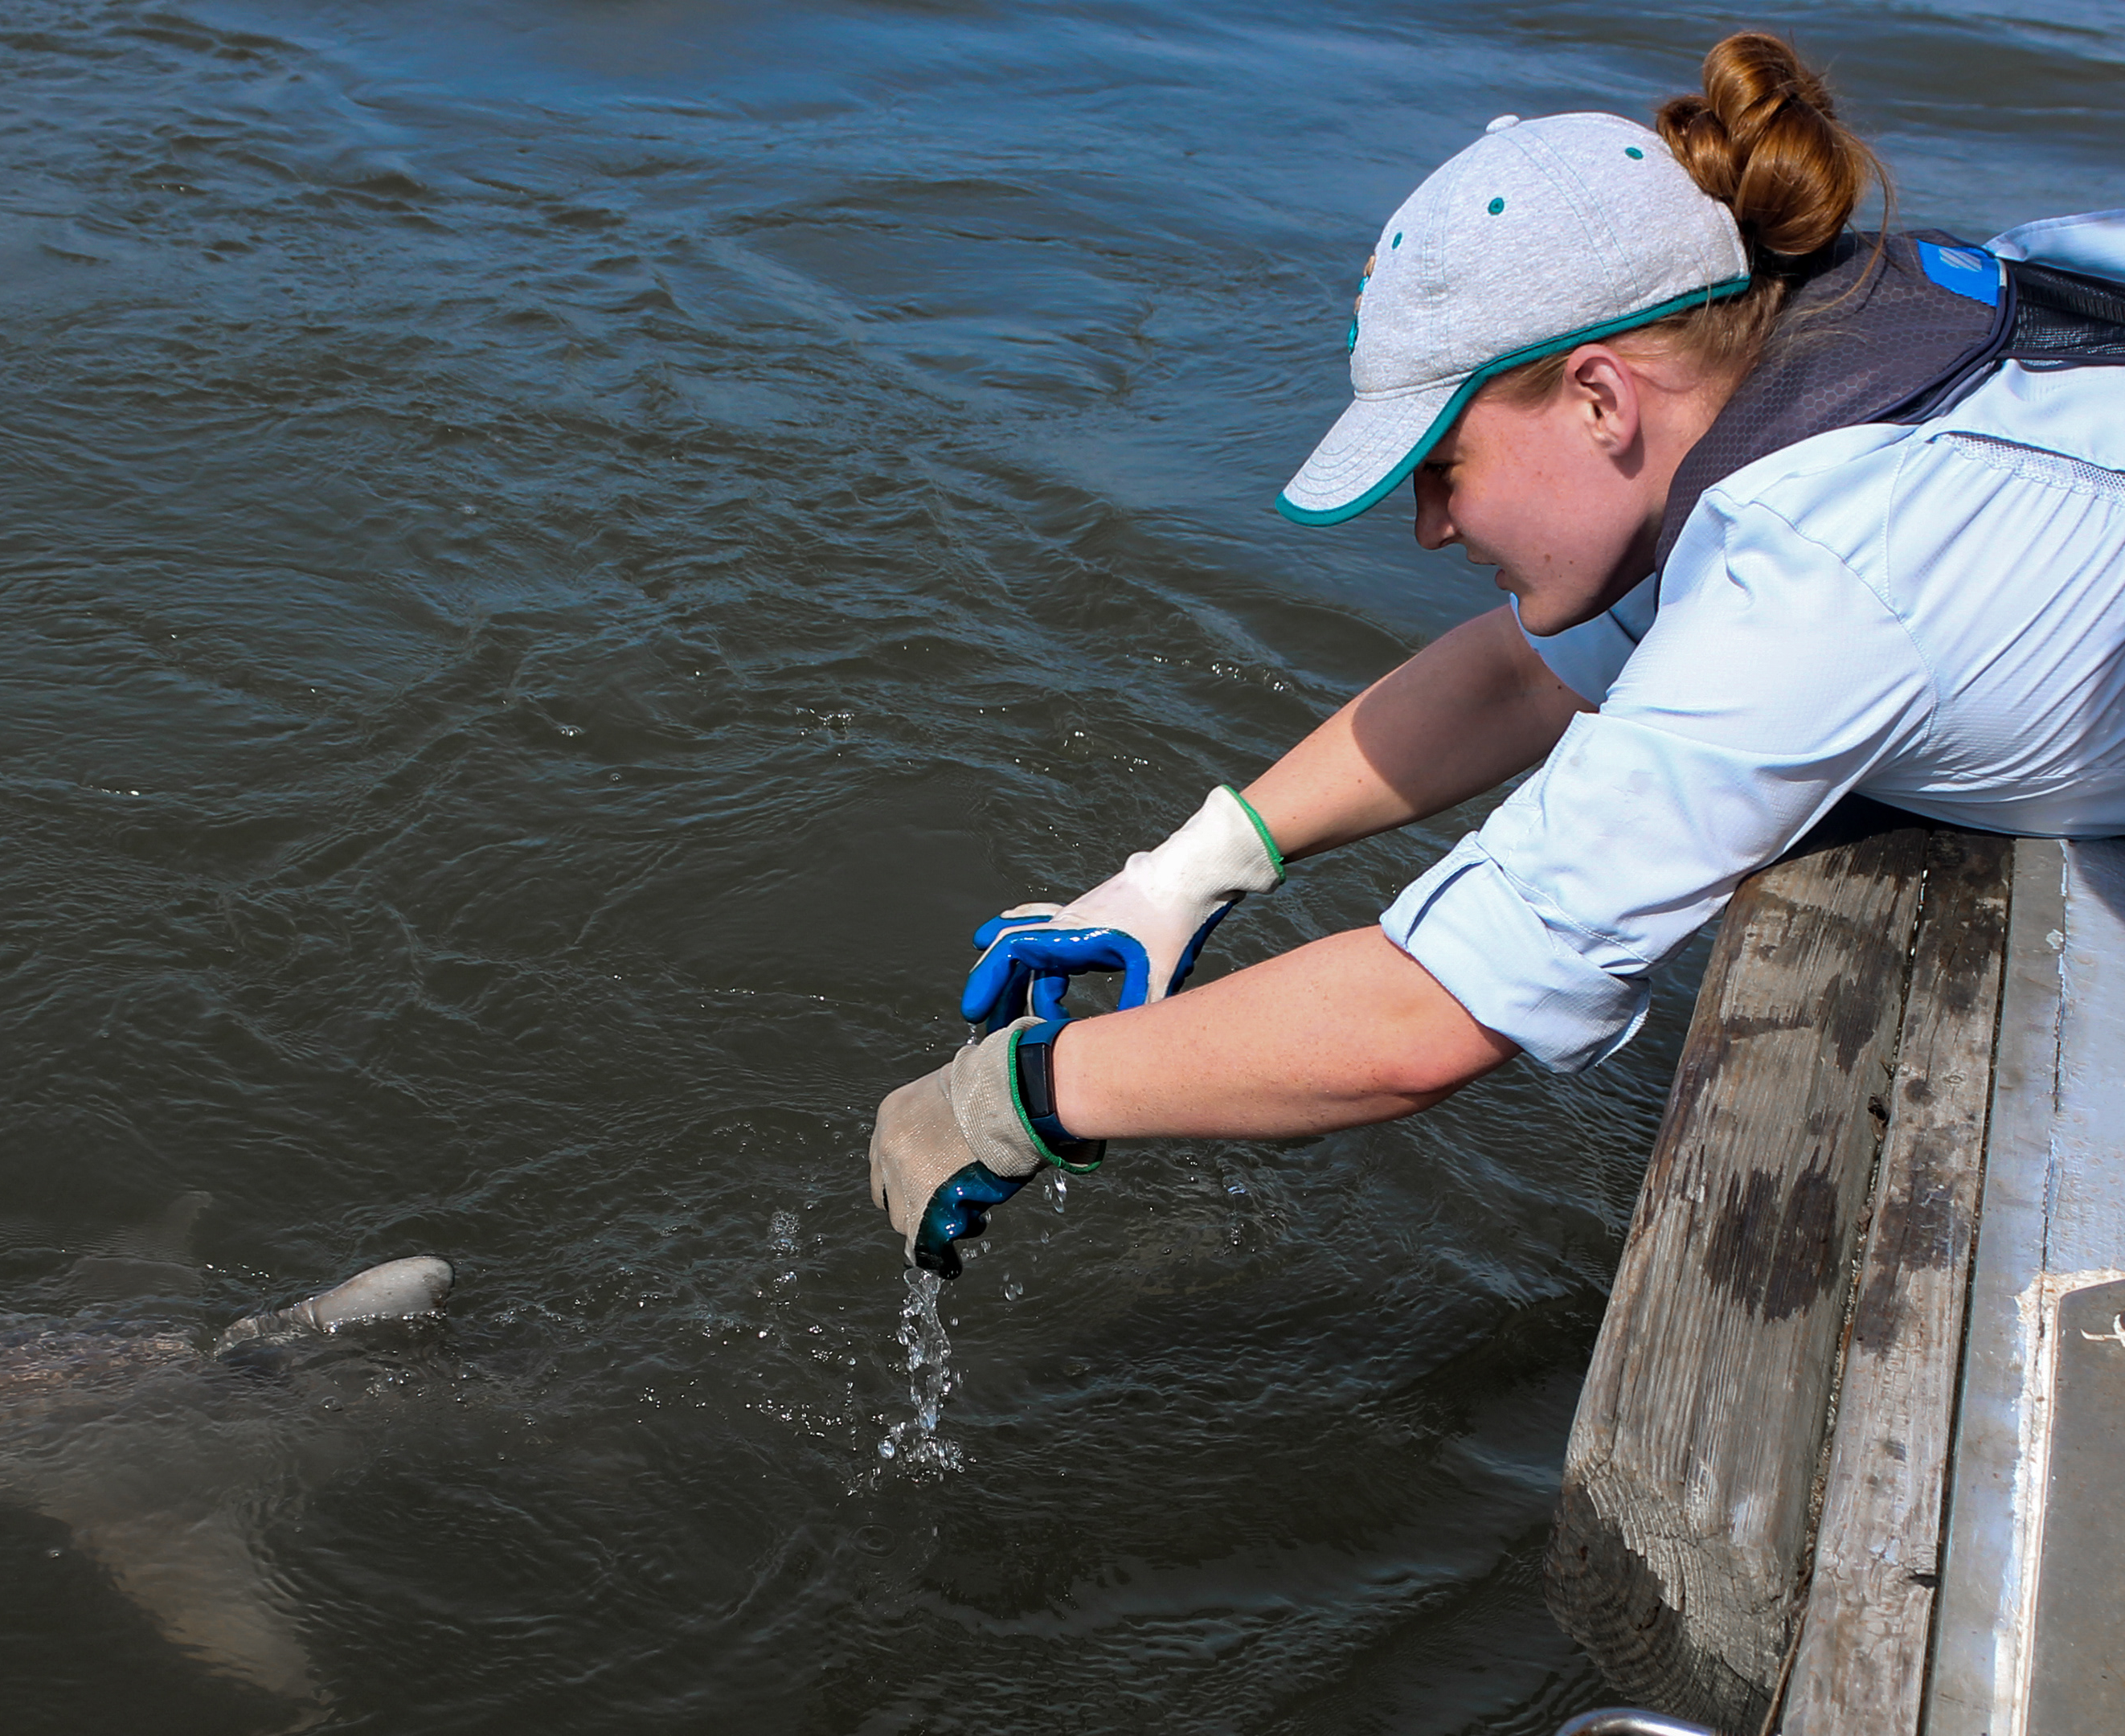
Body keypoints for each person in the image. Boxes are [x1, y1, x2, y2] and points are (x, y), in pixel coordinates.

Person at [867, 32, 2125, 1277]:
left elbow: (1428, 1016)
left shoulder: (1827, 567)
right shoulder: (1844, 351)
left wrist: (1014, 1097)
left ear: (1597, 398)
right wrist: (1183, 874)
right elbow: (1524, 671)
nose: (1428, 530)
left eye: (1441, 470)